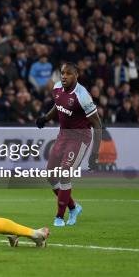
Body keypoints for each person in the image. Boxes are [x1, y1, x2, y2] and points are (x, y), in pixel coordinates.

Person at [35, 62, 102, 227]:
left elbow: (97, 125)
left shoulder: (83, 96)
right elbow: (57, 106)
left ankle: (59, 217)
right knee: (50, 175)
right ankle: (73, 207)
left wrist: (94, 154)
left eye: (68, 73)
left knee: (65, 174)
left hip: (79, 138)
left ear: (76, 75)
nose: (64, 76)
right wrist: (46, 118)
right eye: (62, 73)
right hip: (63, 135)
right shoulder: (57, 87)